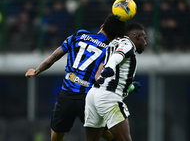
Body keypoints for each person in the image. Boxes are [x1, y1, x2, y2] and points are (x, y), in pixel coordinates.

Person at [25, 13, 126, 141]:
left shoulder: (79, 35)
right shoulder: (109, 49)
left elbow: (52, 59)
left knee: (56, 138)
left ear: (102, 26)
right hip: (88, 99)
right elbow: (97, 77)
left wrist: (36, 71)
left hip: (66, 96)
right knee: (110, 135)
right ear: (115, 37)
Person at [84, 23, 147, 141]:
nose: (146, 43)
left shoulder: (114, 42)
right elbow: (117, 57)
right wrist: (110, 67)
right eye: (144, 38)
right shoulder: (128, 44)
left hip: (93, 94)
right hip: (108, 98)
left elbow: (114, 77)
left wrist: (131, 86)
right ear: (137, 37)